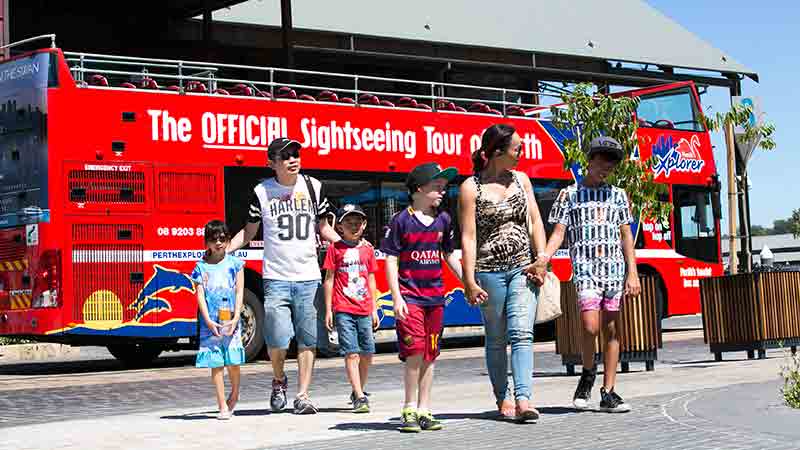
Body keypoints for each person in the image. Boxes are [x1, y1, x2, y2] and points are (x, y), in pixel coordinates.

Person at [228, 137, 339, 415]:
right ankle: (279, 380)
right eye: (285, 155)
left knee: (307, 338)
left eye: (296, 153)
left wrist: (350, 244)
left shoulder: (314, 187)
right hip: (276, 277)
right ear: (272, 163)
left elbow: (324, 228)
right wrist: (224, 250)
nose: (293, 159)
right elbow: (250, 232)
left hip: (308, 276)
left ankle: (302, 395)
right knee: (277, 339)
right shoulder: (262, 192)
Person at [542, 136, 640, 413]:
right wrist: (543, 259)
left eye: (611, 162)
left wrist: (632, 273)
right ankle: (587, 372)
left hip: (613, 270)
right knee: (589, 326)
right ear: (590, 160)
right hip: (585, 270)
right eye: (601, 160)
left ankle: (608, 391)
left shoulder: (619, 196)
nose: (605, 167)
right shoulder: (569, 195)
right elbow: (559, 233)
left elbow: (626, 237)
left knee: (611, 328)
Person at [459, 124, 548, 422]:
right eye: (517, 149)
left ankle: (524, 399)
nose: (522, 154)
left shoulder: (522, 180)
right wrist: (468, 279)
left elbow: (535, 221)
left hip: (523, 268)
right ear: (497, 152)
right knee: (496, 338)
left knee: (522, 333)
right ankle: (503, 396)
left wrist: (542, 259)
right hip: (488, 273)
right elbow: (468, 237)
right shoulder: (471, 187)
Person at [381, 162, 463, 432]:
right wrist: (397, 297)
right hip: (411, 297)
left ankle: (426, 409)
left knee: (430, 353)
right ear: (418, 189)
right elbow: (391, 259)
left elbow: (449, 255)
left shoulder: (444, 220)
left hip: (435, 299)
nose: (442, 190)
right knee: (414, 353)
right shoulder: (401, 221)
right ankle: (409, 408)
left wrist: (469, 283)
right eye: (436, 186)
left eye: (443, 187)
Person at [323, 203, 380, 413]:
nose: (353, 226)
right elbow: (329, 279)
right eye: (348, 222)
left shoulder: (368, 250)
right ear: (339, 227)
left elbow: (371, 278)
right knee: (351, 353)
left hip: (365, 308)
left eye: (358, 222)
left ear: (364, 225)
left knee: (368, 353)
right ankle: (359, 395)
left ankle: (359, 389)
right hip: (343, 307)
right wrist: (328, 309)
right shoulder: (334, 249)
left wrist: (375, 309)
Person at [191, 220, 246, 420]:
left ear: (228, 240)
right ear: (207, 242)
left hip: (231, 320)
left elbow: (240, 291)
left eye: (222, 238)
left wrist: (237, 317)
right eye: (214, 239)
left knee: (233, 361)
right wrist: (207, 321)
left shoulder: (235, 264)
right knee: (216, 363)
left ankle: (235, 395)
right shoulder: (200, 267)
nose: (218, 243)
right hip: (210, 324)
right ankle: (222, 404)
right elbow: (200, 296)